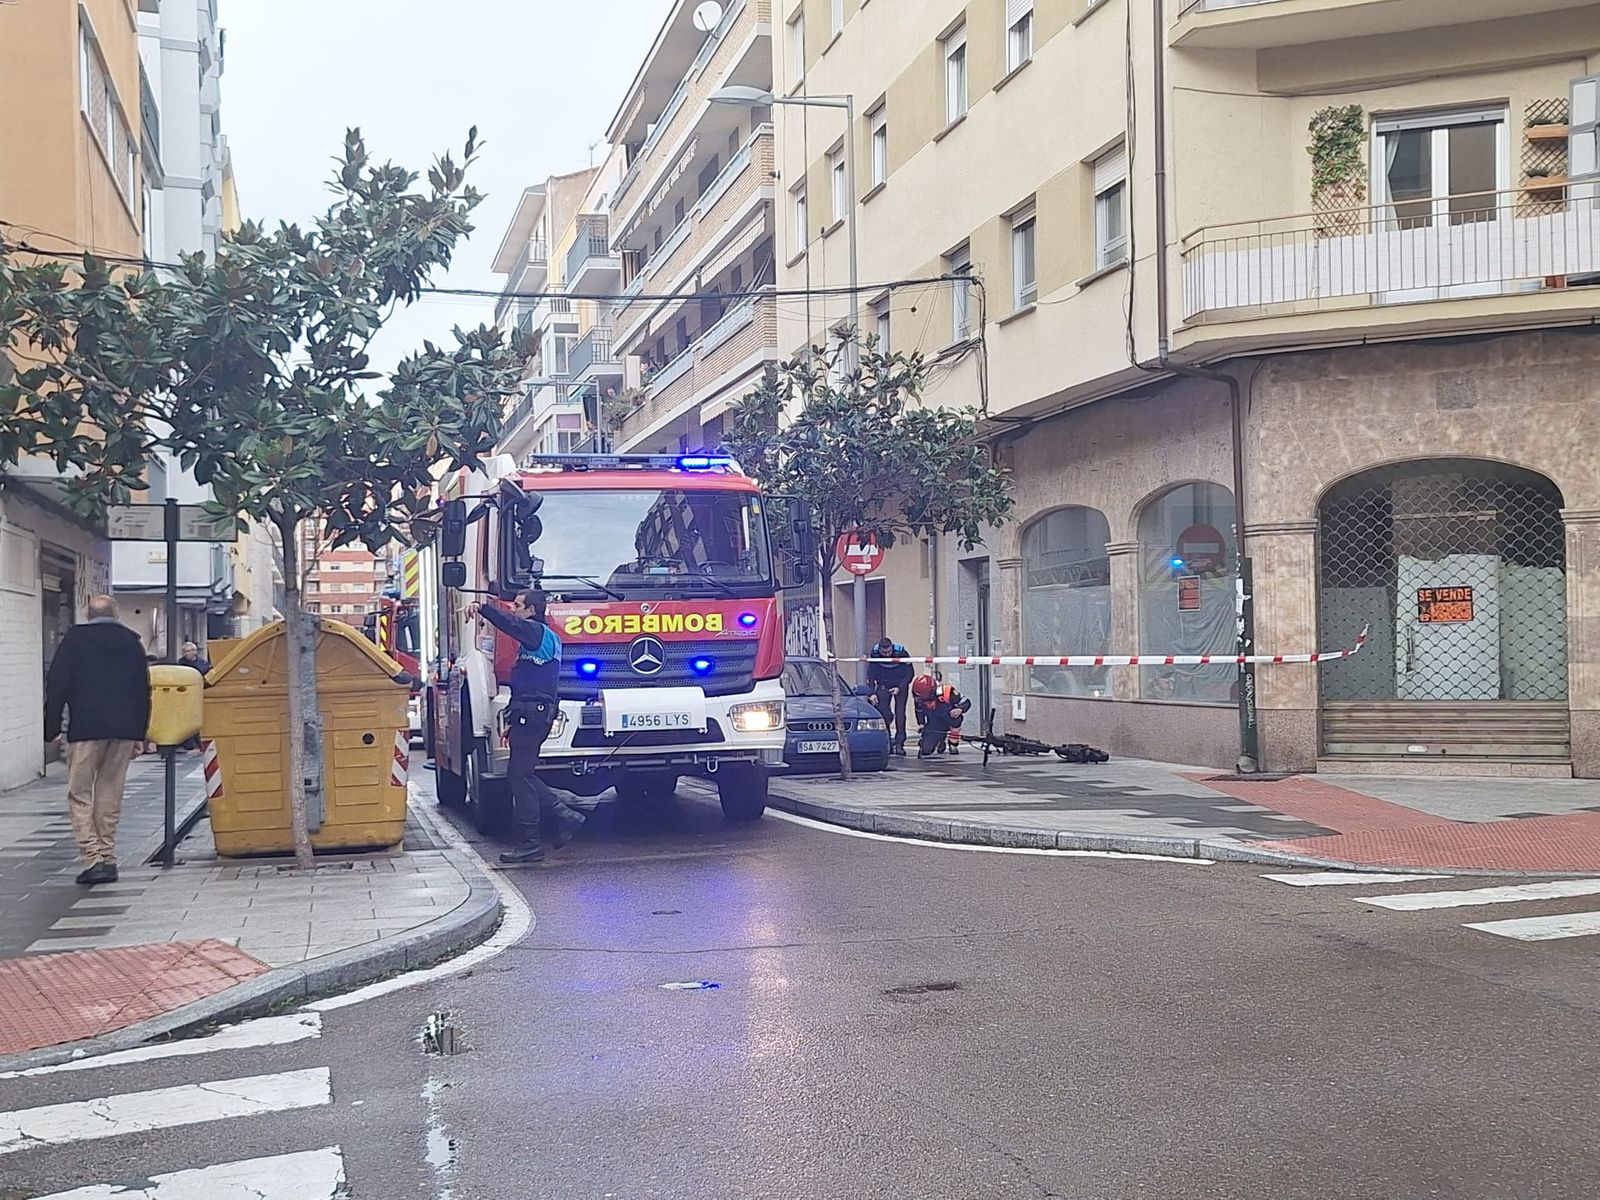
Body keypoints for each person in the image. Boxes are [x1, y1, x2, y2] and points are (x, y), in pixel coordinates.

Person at [468, 588, 585, 864]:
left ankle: (537, 838)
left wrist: (482, 607)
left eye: (519, 606)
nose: (514, 610)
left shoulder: (535, 632)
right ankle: (556, 820)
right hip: (534, 714)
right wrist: (512, 718)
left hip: (532, 715)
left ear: (531, 610)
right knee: (523, 774)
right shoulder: (548, 638)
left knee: (520, 776)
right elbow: (532, 684)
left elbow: (511, 624)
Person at [43, 596, 151, 886]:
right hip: (123, 731)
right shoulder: (132, 642)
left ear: (88, 614)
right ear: (116, 614)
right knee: (110, 793)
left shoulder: (75, 640)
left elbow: (56, 683)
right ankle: (108, 856)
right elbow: (143, 690)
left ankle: (92, 859)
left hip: (86, 729)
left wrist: (51, 727)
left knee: (80, 793)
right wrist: (140, 734)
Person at [866, 635, 913, 756]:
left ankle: (899, 743)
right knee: (882, 713)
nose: (887, 654)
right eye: (884, 652)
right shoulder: (875, 654)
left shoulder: (901, 653)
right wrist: (872, 693)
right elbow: (870, 675)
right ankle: (887, 740)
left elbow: (910, 673)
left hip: (900, 684)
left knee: (900, 714)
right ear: (880, 650)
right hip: (884, 684)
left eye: (889, 651)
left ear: (892, 648)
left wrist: (900, 687)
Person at [912, 672, 971, 759]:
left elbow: (966, 702)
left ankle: (953, 743)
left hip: (949, 718)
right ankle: (940, 740)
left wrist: (960, 709)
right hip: (934, 724)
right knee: (926, 751)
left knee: (955, 719)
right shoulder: (918, 699)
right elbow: (919, 712)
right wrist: (921, 724)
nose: (923, 701)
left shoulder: (946, 691)